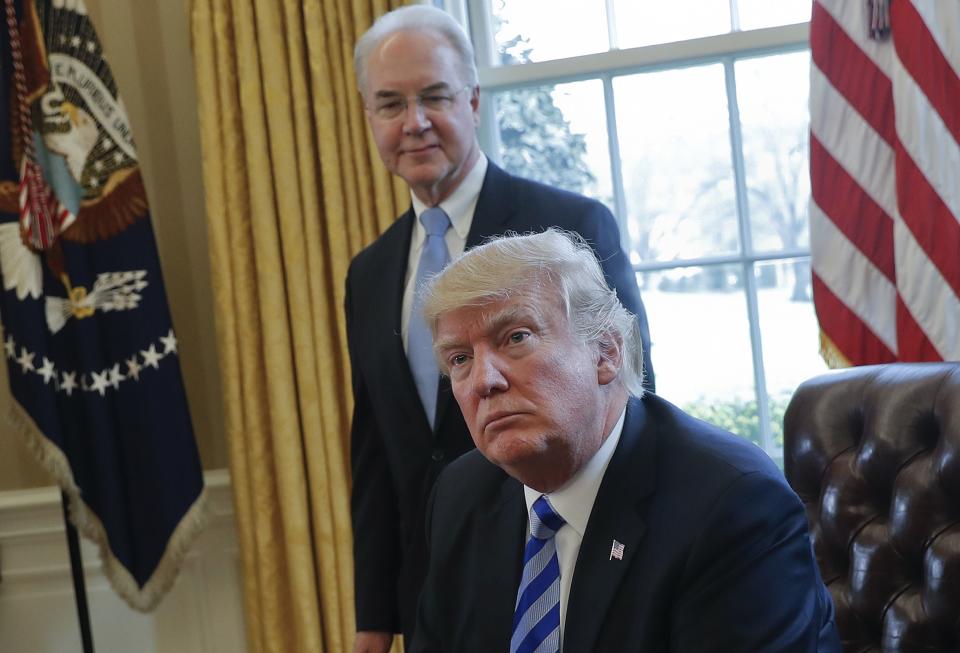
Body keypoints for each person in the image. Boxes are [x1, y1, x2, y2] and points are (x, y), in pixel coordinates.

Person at [346, 6, 655, 652]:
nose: (416, 122)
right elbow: (375, 453)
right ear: (370, 119)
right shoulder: (369, 273)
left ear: (474, 100)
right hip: (434, 592)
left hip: (562, 564)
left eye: (434, 96)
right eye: (390, 104)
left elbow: (631, 395)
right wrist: (372, 619)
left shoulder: (569, 226)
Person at [411, 230, 842, 652]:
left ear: (606, 352)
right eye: (460, 359)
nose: (485, 380)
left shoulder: (732, 505)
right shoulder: (460, 495)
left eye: (517, 337)